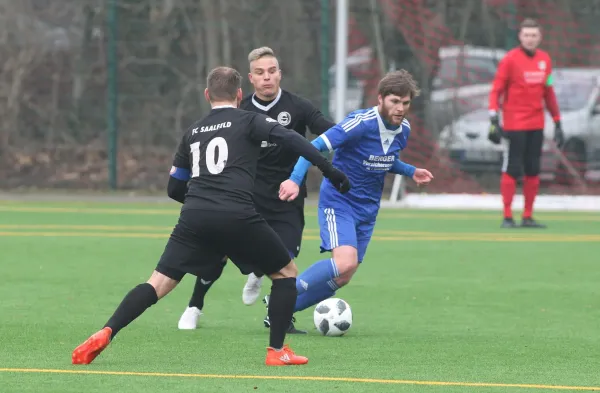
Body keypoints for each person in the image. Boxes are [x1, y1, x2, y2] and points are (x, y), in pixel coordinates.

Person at [71, 66, 350, 366]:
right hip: (237, 213)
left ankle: (106, 331)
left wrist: (200, 206)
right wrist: (329, 170)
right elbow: (294, 141)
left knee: (157, 284)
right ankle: (277, 351)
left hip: (194, 216)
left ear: (207, 95)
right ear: (240, 95)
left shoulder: (192, 131)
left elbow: (174, 187)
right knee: (286, 273)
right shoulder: (250, 119)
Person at [176, 47, 335, 334]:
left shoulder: (299, 107)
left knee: (285, 257)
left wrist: (355, 136)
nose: (267, 77)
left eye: (272, 71)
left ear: (280, 74)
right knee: (217, 253)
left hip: (288, 197)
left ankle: (275, 309)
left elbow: (329, 132)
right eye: (260, 73)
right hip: (246, 196)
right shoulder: (240, 112)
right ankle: (194, 306)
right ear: (250, 79)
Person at [270, 69, 433, 320]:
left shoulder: (404, 130)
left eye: (405, 102)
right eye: (394, 101)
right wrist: (294, 180)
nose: (400, 108)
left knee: (344, 275)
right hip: (340, 201)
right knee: (344, 263)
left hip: (368, 209)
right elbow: (314, 146)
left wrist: (411, 171)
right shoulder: (360, 123)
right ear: (380, 99)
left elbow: (384, 160)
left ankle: (282, 312)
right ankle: (284, 292)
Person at [488, 18, 563, 228]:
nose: (530, 39)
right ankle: (507, 216)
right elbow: (496, 90)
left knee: (533, 169)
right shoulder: (510, 60)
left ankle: (528, 216)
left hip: (536, 124)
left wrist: (557, 121)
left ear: (540, 38)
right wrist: (493, 118)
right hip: (514, 124)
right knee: (513, 167)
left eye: (534, 35)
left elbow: (548, 92)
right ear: (520, 37)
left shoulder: (545, 60)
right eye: (526, 35)